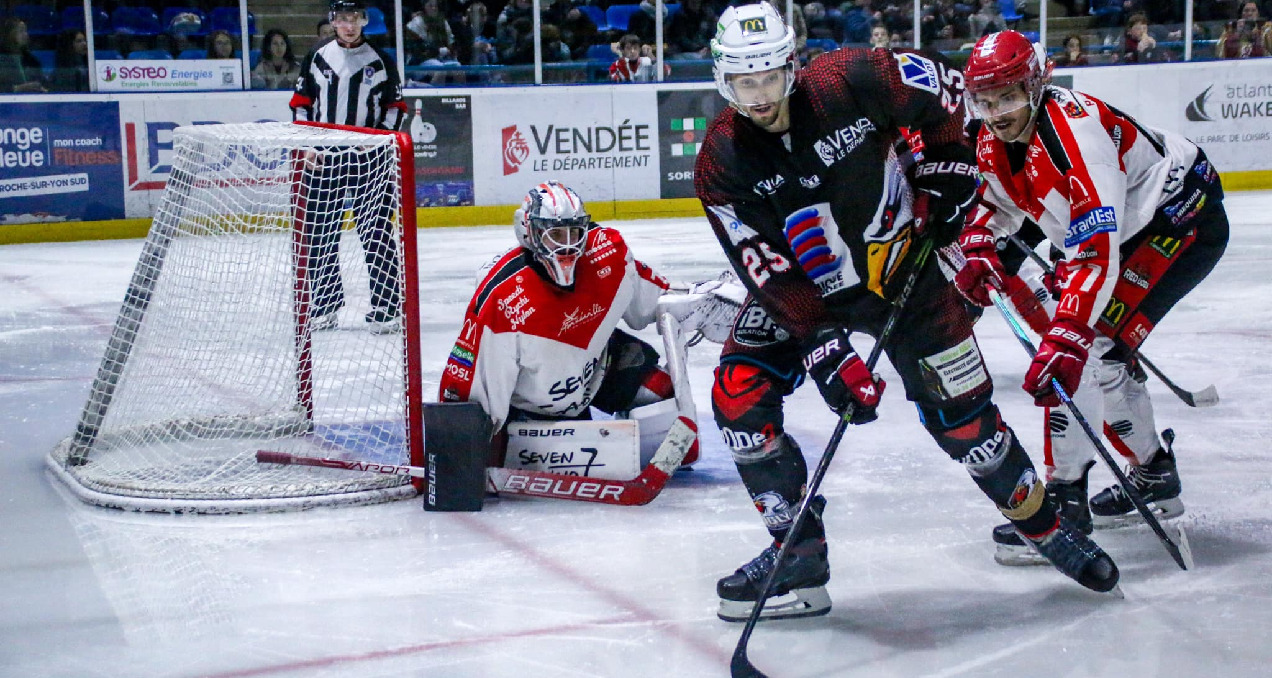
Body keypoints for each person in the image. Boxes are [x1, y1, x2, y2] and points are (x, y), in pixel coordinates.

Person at [693, 2, 1120, 622]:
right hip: (811, 293)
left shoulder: (854, 76)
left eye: (767, 78)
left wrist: (947, 172)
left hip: (906, 274)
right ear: (721, 79)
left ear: (791, 65)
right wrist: (823, 347)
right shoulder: (721, 161)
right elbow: (764, 267)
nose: (759, 98)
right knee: (738, 396)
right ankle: (798, 552)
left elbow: (947, 96)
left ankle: (1046, 528)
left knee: (969, 429)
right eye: (742, 82)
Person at [957, 30, 1228, 561]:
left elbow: (1095, 253)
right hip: (1125, 231)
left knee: (1090, 349)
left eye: (1008, 96)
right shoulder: (992, 138)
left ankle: (1066, 503)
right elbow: (999, 206)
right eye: (985, 100)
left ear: (1036, 86)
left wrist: (1068, 333)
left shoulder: (1076, 134)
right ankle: (1152, 474)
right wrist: (980, 242)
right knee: (1094, 348)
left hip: (1178, 220)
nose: (996, 112)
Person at [437, 180, 700, 468]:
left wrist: (701, 302)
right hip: (532, 407)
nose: (567, 244)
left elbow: (652, 303)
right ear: (530, 233)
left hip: (596, 371)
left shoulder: (608, 253)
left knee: (661, 396)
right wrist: (463, 454)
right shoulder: (504, 297)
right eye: (555, 235)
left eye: (574, 232)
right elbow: (473, 389)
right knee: (497, 456)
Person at [290, 0, 409, 333]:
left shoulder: (381, 60)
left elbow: (395, 109)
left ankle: (387, 306)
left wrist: (378, 141)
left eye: (354, 18)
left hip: (367, 159)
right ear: (333, 21)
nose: (349, 24)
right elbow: (301, 105)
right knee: (320, 232)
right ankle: (325, 304)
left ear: (363, 20)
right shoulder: (317, 56)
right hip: (324, 156)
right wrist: (308, 146)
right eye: (343, 19)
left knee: (376, 231)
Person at [0, 18, 47, 93]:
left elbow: (43, 83)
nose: (26, 34)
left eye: (26, 31)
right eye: (21, 31)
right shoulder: (2, 58)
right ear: (10, 34)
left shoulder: (32, 60)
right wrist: (17, 88)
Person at [50, 28, 89, 93]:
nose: (84, 44)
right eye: (79, 41)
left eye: (84, 40)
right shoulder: (62, 72)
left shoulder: (87, 63)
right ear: (69, 44)